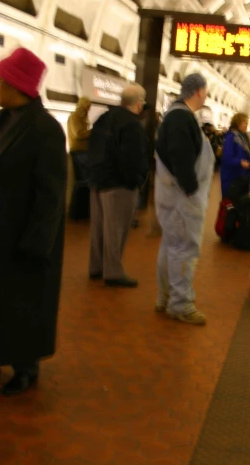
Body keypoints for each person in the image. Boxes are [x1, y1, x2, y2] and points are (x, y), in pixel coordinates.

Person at [0, 48, 67, 396]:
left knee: (22, 303)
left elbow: (50, 195)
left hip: (23, 236)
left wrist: (37, 244)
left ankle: (25, 367)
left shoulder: (46, 130)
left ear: (16, 86)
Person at [154, 73, 214, 325]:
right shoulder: (180, 118)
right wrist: (190, 190)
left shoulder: (177, 115)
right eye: (206, 91)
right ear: (198, 91)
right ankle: (180, 303)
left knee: (171, 245)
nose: (208, 95)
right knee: (184, 248)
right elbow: (180, 156)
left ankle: (166, 296)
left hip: (177, 196)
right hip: (182, 198)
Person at [88, 84, 148, 287]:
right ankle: (113, 271)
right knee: (116, 230)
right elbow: (132, 158)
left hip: (98, 180)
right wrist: (136, 180)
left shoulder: (104, 118)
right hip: (119, 185)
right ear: (139, 102)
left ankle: (96, 267)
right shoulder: (132, 124)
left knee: (99, 228)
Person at [220, 112, 250, 199]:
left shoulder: (246, 137)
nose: (246, 125)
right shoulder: (231, 137)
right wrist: (240, 162)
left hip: (244, 176)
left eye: (247, 123)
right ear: (237, 123)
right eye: (244, 123)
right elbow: (226, 158)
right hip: (233, 177)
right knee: (233, 204)